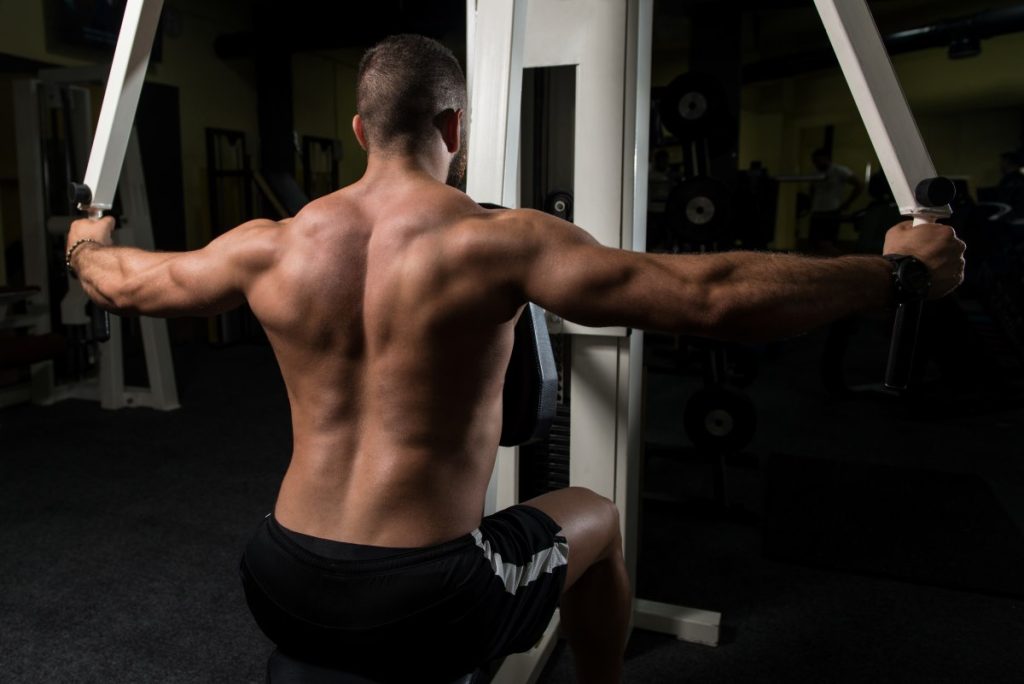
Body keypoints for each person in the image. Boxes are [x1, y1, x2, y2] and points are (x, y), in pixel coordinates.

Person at [65, 35, 965, 684]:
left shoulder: (265, 245)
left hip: (279, 571)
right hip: (425, 595)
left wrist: (83, 242)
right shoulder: (497, 241)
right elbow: (709, 297)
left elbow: (126, 283)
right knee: (600, 519)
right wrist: (895, 277)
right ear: (454, 125)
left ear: (357, 128)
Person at [808, 148, 863, 254]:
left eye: (818, 160)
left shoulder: (839, 170)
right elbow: (812, 189)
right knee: (815, 243)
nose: (816, 163)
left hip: (832, 210)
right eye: (814, 161)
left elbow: (859, 184)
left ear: (826, 159)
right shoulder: (815, 172)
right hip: (816, 211)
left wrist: (848, 203)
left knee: (828, 243)